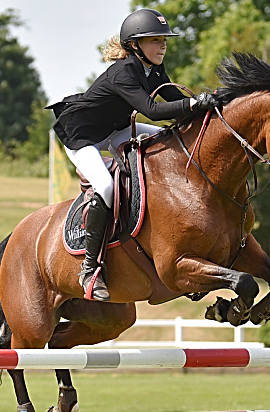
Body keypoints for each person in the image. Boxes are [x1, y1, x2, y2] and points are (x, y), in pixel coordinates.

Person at [47, 9, 220, 301]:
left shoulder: (152, 69)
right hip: (82, 136)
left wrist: (210, 103)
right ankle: (90, 269)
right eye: (155, 40)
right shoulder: (123, 72)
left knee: (168, 139)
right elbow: (152, 110)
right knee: (105, 186)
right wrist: (192, 104)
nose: (162, 46)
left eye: (164, 40)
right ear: (135, 45)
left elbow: (175, 102)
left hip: (116, 129)